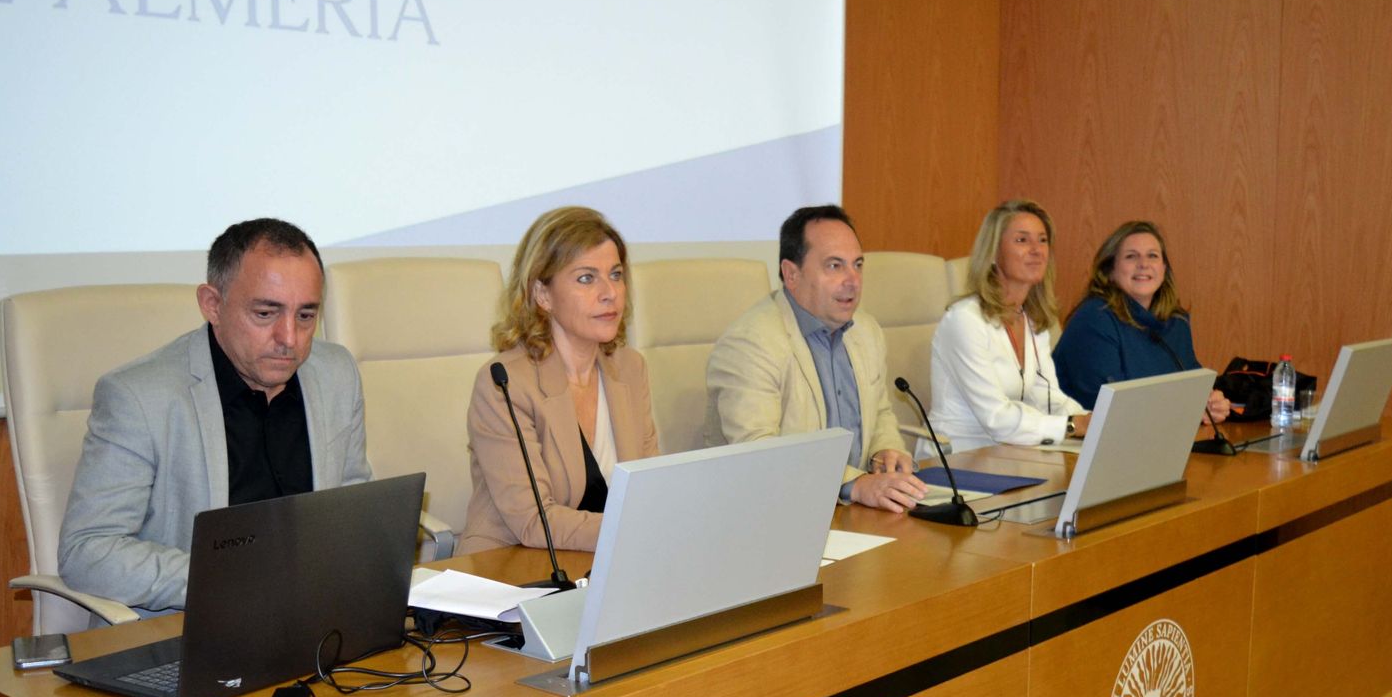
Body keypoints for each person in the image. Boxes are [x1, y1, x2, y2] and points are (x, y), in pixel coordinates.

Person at [57, 218, 371, 619]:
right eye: (265, 313)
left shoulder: (336, 373)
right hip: (192, 628)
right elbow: (88, 550)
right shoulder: (139, 397)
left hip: (314, 619)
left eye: (306, 316)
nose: (289, 338)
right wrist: (231, 580)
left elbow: (352, 504)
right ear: (212, 305)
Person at [705, 204, 927, 512]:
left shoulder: (866, 330)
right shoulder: (752, 343)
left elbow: (881, 412)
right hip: (767, 513)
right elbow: (759, 452)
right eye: (835, 266)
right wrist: (855, 484)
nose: (853, 280)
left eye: (858, 265)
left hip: (850, 514)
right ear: (791, 274)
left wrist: (885, 450)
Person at [462, 207, 659, 553]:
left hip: (605, 562)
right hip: (514, 571)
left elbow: (650, 491)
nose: (609, 292)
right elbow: (534, 521)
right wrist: (637, 528)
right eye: (586, 278)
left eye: (615, 275)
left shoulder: (630, 368)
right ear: (542, 294)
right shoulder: (505, 383)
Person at [926, 199, 1089, 452]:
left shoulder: (1033, 318)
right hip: (959, 459)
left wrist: (1093, 421)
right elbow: (996, 418)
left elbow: (1046, 396)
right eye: (1022, 240)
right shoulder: (965, 320)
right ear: (993, 252)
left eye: (1042, 240)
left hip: (1012, 453)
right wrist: (1070, 426)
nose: (1037, 250)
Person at [1052, 220, 1231, 423]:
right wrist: (1184, 411)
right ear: (1109, 270)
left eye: (1152, 256)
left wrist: (1210, 403)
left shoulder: (1176, 322)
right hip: (1085, 445)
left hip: (1154, 439)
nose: (1143, 264)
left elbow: (1192, 385)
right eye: (1131, 257)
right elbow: (1107, 404)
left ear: (1164, 269)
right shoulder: (1094, 319)